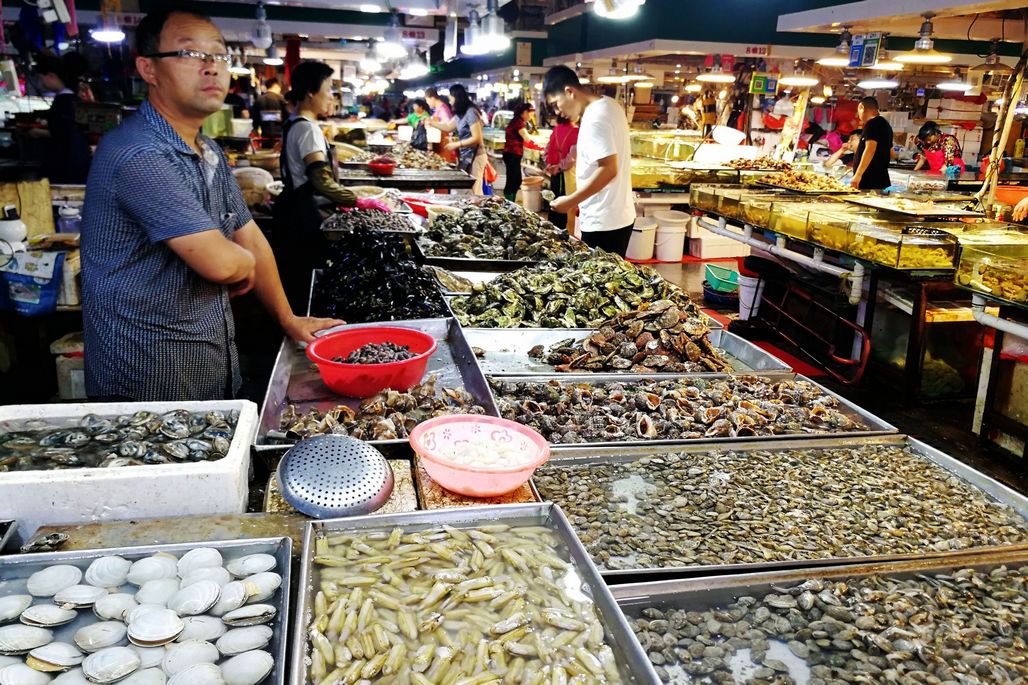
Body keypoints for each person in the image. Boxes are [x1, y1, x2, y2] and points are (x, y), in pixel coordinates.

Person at [81, 9, 342, 401]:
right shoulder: (139, 154)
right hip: (148, 376)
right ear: (148, 69)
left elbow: (248, 234)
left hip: (208, 357)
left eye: (219, 56)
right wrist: (240, 264)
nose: (211, 68)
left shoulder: (209, 151)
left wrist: (288, 319)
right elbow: (222, 263)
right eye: (189, 55)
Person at [274, 61, 388, 311]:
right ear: (310, 93)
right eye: (327, 90)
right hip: (306, 216)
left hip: (294, 210)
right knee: (308, 278)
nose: (332, 98)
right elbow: (320, 179)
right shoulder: (307, 129)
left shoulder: (292, 122)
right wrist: (356, 200)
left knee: (297, 277)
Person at [543, 65, 635, 256]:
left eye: (555, 104)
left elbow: (609, 169)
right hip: (617, 215)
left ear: (569, 92)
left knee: (599, 282)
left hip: (603, 221)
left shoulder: (595, 118)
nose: (557, 112)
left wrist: (570, 201)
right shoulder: (609, 104)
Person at [34, 52, 91, 184]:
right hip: (78, 161)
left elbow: (61, 132)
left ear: (51, 76)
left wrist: (36, 132)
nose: (41, 82)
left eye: (41, 78)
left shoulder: (63, 101)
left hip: (65, 163)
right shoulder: (73, 99)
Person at [430, 84, 487, 194]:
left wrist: (457, 144)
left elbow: (477, 138)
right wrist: (431, 122)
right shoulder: (461, 113)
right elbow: (447, 127)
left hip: (476, 157)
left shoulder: (471, 112)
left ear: (457, 98)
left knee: (474, 190)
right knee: (465, 189)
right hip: (466, 157)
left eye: (450, 99)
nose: (450, 102)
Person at [544, 114, 578, 232]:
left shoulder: (556, 129)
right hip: (567, 175)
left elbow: (547, 149)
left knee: (553, 201)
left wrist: (549, 165)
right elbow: (572, 157)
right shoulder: (575, 131)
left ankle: (551, 232)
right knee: (566, 205)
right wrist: (560, 166)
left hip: (554, 173)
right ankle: (564, 235)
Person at [850, 96, 893, 191]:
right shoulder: (885, 125)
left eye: (858, 111)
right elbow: (891, 152)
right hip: (878, 179)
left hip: (869, 180)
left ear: (862, 108)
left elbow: (870, 149)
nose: (858, 116)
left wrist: (858, 175)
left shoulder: (873, 123)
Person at [502, 102, 540, 202]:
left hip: (512, 154)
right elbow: (526, 138)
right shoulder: (518, 122)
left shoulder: (518, 121)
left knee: (515, 180)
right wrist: (539, 147)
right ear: (524, 112)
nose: (531, 116)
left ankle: (510, 202)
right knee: (513, 180)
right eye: (530, 114)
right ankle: (508, 203)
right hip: (512, 154)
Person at [425, 86, 455, 163]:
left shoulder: (443, 109)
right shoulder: (438, 109)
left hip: (444, 145)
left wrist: (431, 123)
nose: (427, 103)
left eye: (427, 100)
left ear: (432, 98)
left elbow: (448, 127)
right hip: (439, 144)